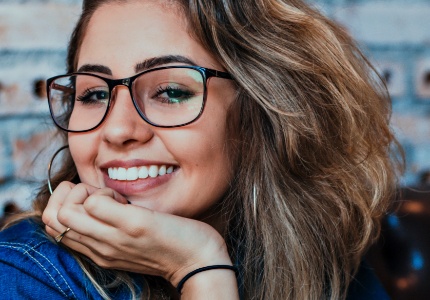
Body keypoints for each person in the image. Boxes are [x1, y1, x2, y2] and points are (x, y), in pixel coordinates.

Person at [0, 0, 402, 299]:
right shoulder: (25, 275)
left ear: (260, 110)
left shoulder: (315, 251)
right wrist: (199, 270)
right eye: (93, 94)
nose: (118, 129)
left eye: (171, 91)